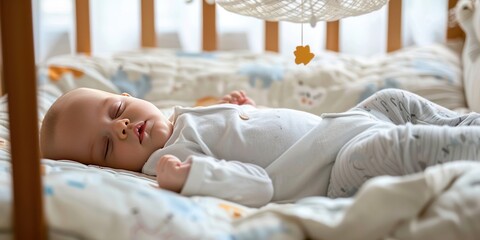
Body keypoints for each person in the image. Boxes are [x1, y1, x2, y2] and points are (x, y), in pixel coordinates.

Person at [40, 87, 480, 207]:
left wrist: (251, 109)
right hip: (332, 170)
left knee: (392, 100)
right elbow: (258, 185)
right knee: (399, 145)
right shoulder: (165, 162)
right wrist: (191, 176)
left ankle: (469, 125)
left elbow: (257, 135)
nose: (122, 127)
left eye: (118, 108)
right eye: (104, 148)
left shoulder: (182, 118)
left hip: (345, 125)